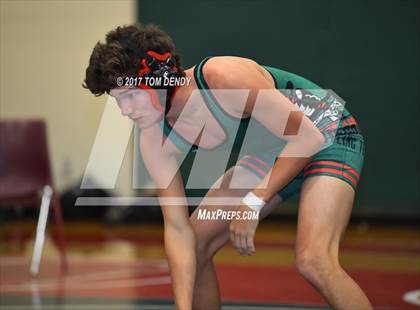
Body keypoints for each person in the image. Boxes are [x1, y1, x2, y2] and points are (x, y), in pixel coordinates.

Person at [83, 23, 372, 310]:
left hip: (326, 132)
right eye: (118, 99)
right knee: (194, 245)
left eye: (131, 95)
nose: (125, 111)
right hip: (274, 151)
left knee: (314, 260)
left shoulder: (223, 77)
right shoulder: (153, 139)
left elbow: (307, 137)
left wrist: (254, 201)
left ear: (162, 78)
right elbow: (176, 229)